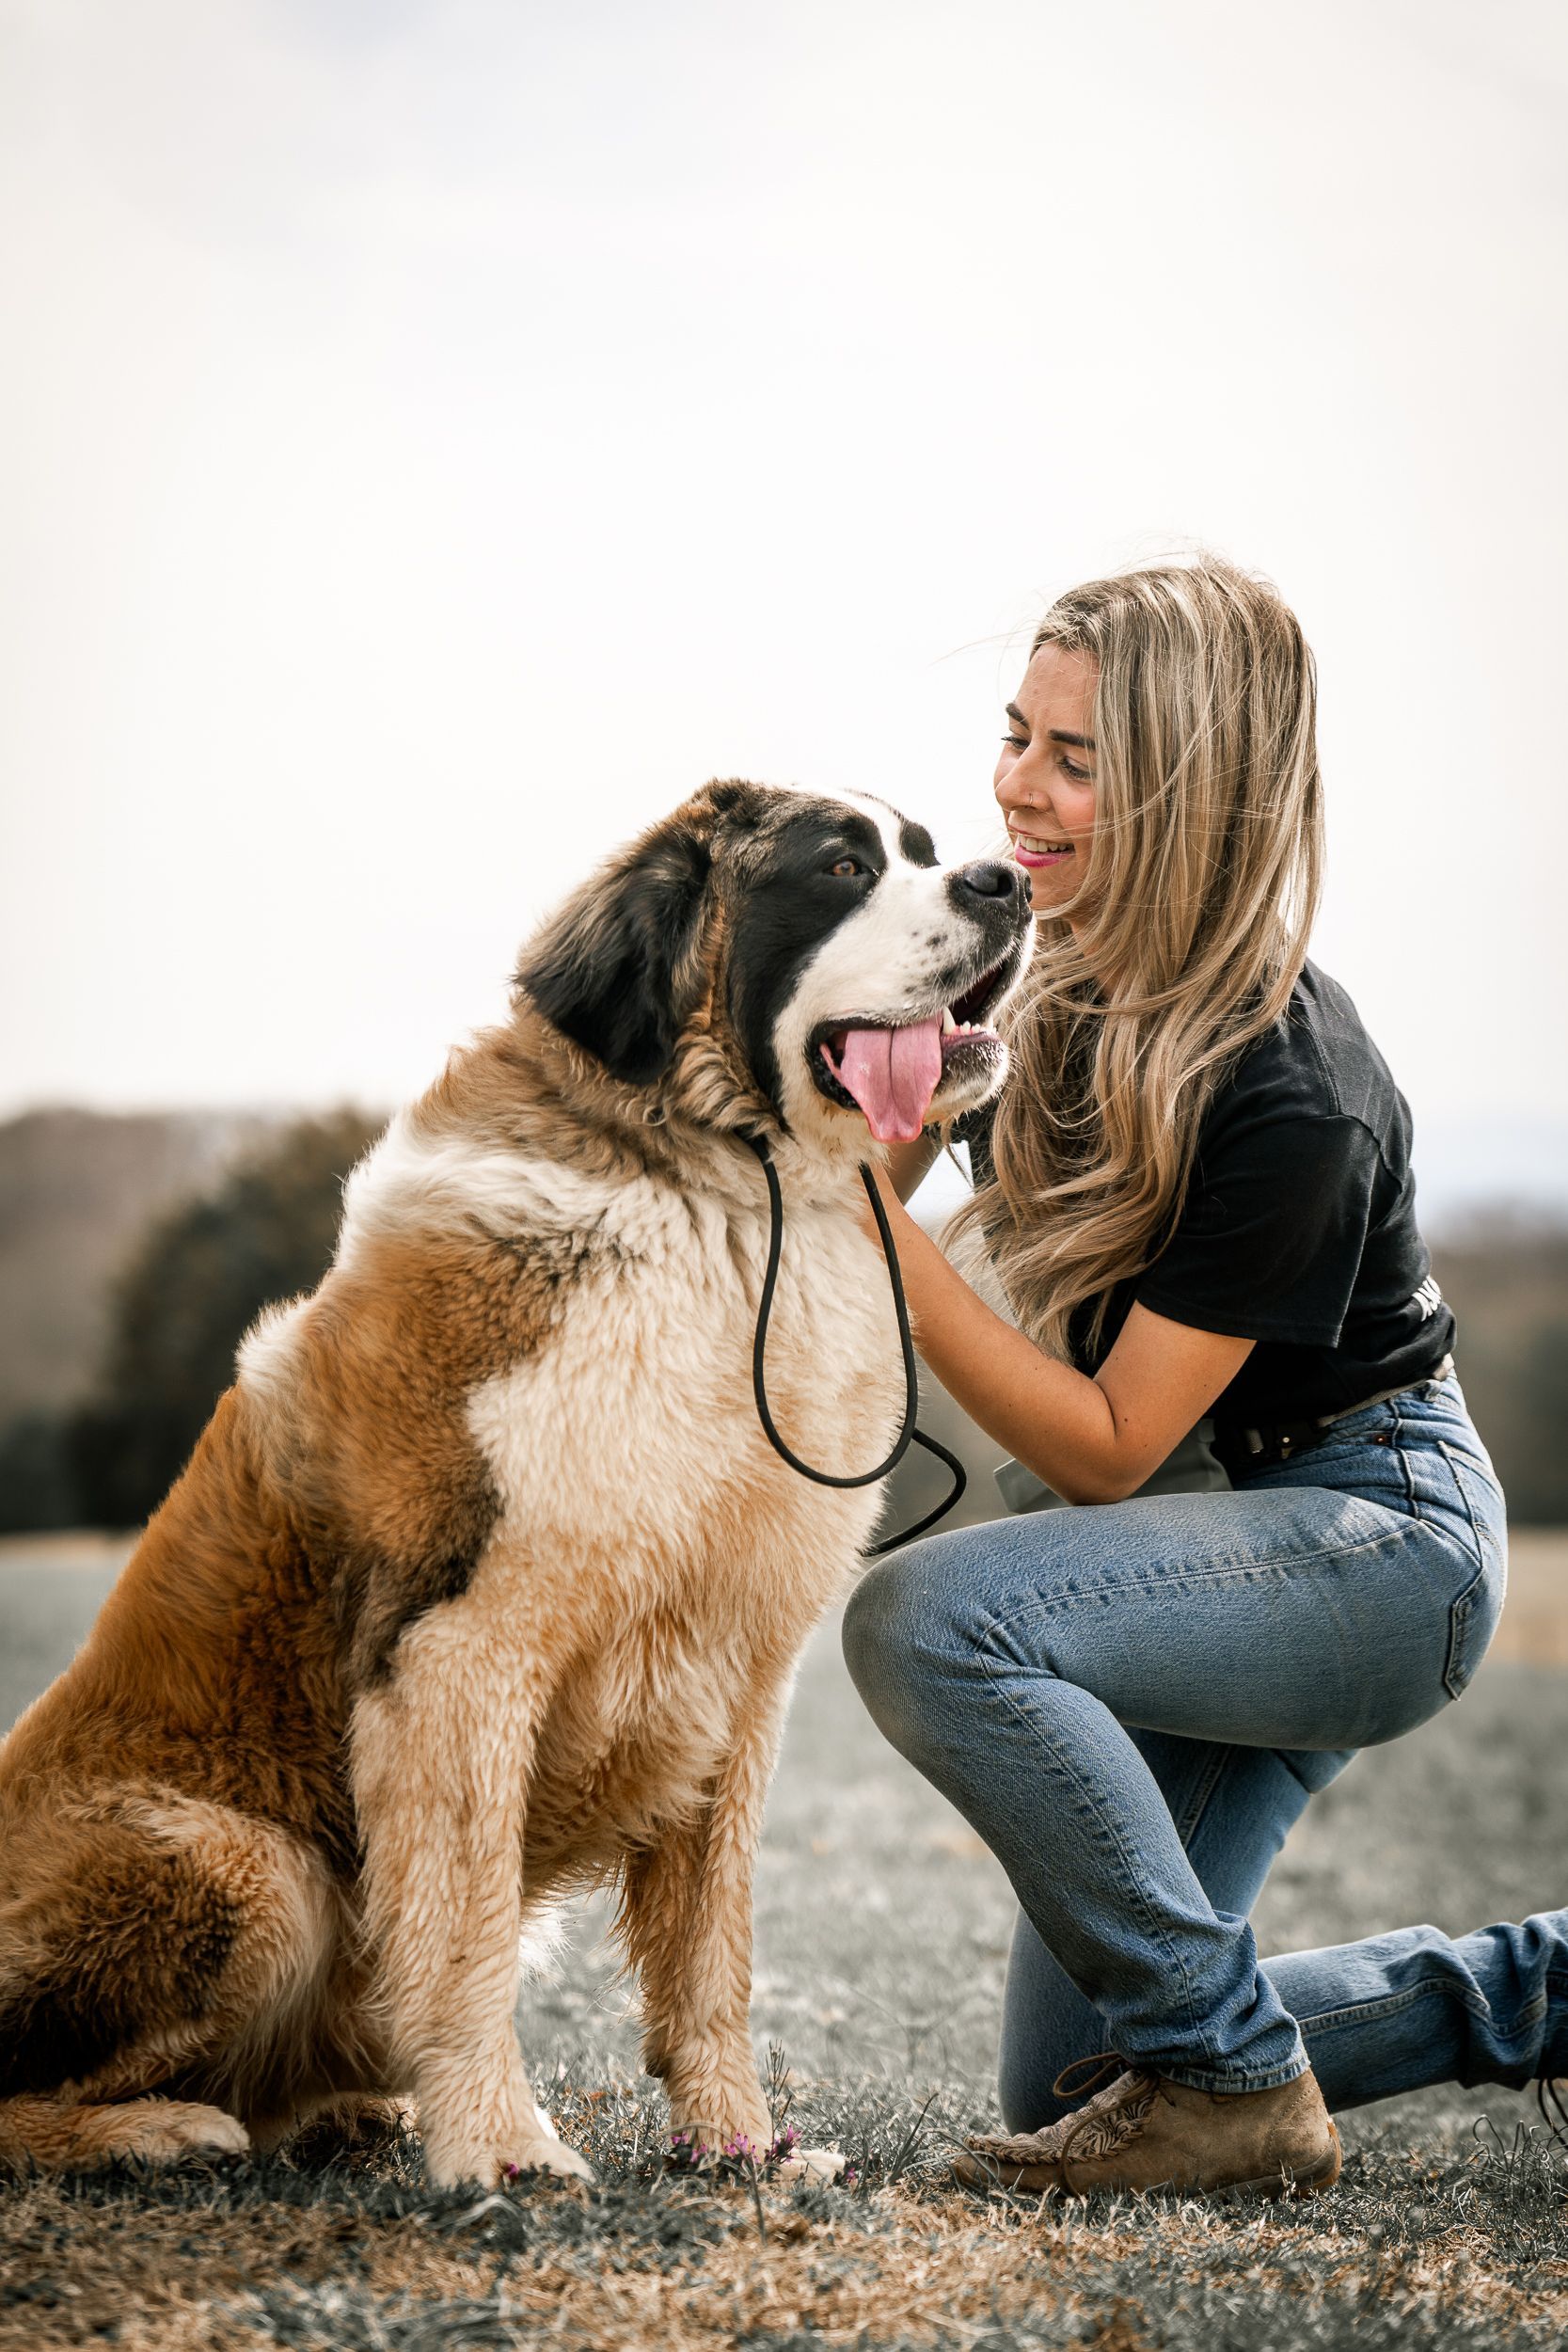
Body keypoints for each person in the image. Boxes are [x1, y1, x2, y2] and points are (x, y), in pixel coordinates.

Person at [840, 556, 1509, 2199]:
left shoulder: (1294, 1083)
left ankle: (1227, 2074)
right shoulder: (1043, 978)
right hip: (1224, 1531)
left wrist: (875, 1224)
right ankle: (1535, 1987)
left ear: (1196, 791)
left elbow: (1112, 1453)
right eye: (1017, 736)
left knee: (928, 1621)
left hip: (1370, 1544)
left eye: (1078, 758)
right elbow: (868, 1195)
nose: (1017, 785)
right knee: (1078, 2081)